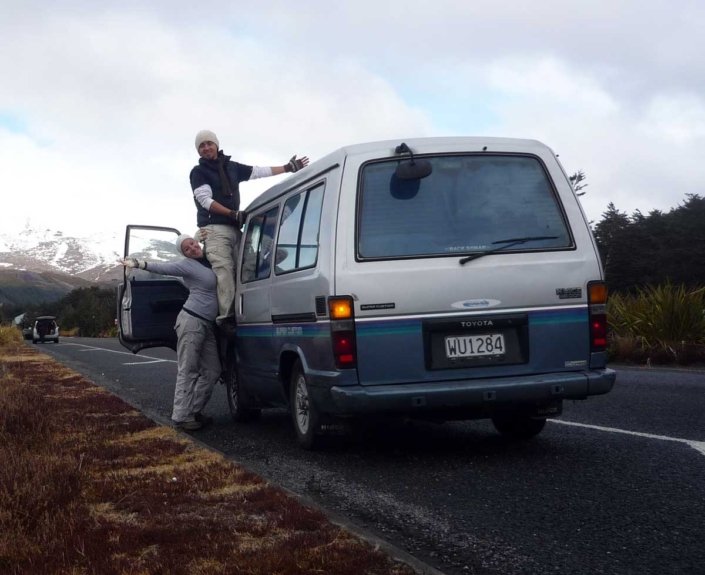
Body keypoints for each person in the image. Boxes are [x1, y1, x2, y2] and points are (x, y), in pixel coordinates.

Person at [190, 129, 309, 324]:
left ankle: (247, 314)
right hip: (214, 229)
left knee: (244, 271)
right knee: (226, 272)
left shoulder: (232, 167)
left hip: (235, 228)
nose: (206, 148)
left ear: (216, 144)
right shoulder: (198, 172)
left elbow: (258, 172)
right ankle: (227, 320)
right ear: (198, 151)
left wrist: (288, 167)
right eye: (201, 146)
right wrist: (232, 213)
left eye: (209, 143)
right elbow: (204, 200)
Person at [120, 234, 220, 431]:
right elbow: (164, 267)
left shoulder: (207, 260)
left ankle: (194, 410)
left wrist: (202, 234)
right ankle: (182, 416)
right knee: (188, 368)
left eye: (192, 243)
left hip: (207, 324)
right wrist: (139, 263)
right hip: (192, 321)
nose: (191, 248)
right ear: (184, 254)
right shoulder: (187, 265)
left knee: (213, 370)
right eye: (186, 249)